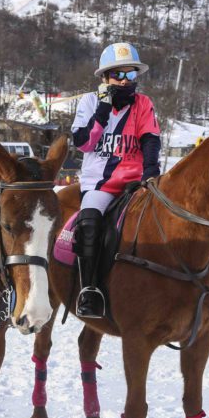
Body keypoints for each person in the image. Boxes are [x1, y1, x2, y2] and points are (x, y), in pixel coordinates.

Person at [70, 42, 161, 319]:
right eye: (117, 75)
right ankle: (89, 290)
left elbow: (150, 140)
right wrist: (103, 109)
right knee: (88, 224)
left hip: (135, 181)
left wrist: (150, 172)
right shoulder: (88, 102)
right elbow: (83, 143)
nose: (124, 81)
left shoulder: (143, 103)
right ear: (104, 78)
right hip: (100, 183)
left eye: (130, 75)